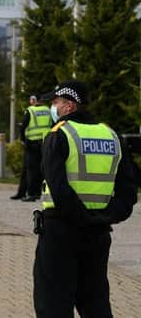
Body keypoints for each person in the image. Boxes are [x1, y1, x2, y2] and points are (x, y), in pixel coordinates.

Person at [33, 80, 138, 317]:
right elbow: (129, 190)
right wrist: (107, 216)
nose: (54, 107)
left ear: (69, 105)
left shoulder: (59, 134)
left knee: (53, 302)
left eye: (56, 102)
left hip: (61, 230)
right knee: (95, 301)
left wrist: (80, 217)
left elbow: (58, 188)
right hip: (99, 232)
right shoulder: (112, 135)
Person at [19, 94, 52, 202]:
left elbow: (23, 126)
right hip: (45, 143)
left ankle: (32, 194)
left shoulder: (31, 111)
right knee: (43, 169)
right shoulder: (48, 110)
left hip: (32, 144)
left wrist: (23, 140)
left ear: (36, 100)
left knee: (31, 170)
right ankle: (41, 193)